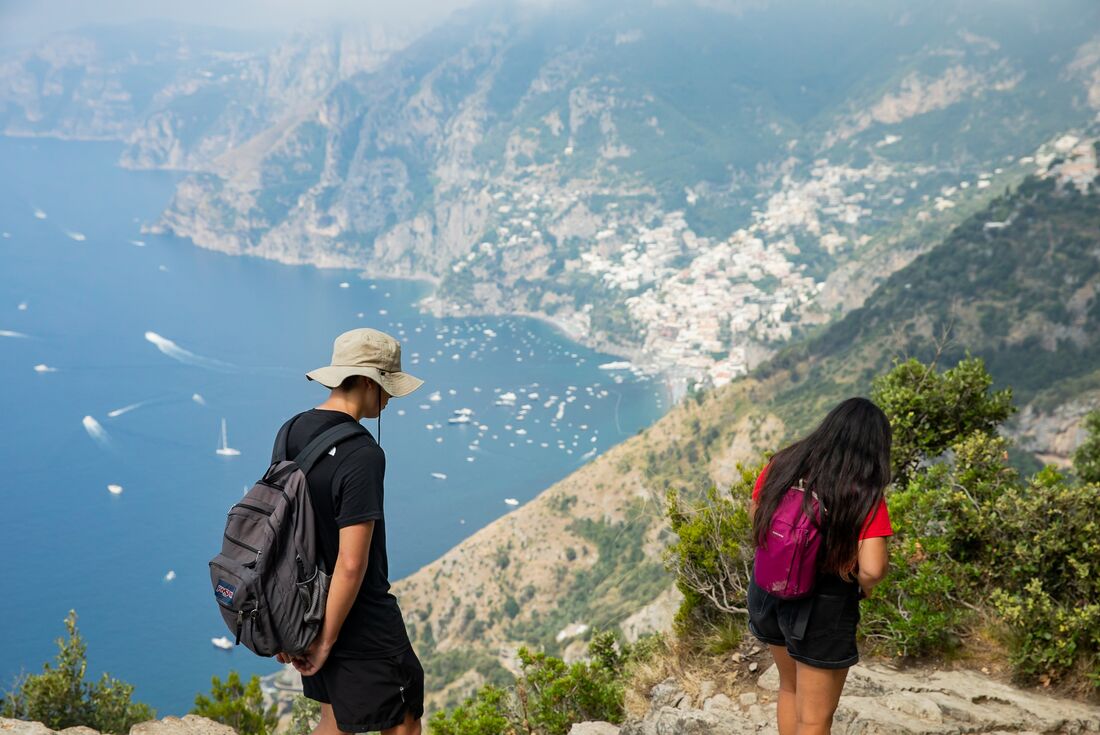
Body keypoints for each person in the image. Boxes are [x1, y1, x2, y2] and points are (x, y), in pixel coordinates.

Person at [274, 328, 425, 735]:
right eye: (387, 384)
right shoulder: (363, 454)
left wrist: (294, 627)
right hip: (360, 615)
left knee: (335, 719)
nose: (391, 397)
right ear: (364, 381)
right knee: (405, 716)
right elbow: (353, 562)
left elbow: (284, 532)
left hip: (306, 605)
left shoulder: (291, 432)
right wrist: (326, 640)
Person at [747, 397, 893, 735]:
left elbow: (756, 516)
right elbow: (872, 568)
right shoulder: (863, 490)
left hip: (769, 590)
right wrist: (856, 577)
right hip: (822, 606)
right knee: (813, 719)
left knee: (789, 688)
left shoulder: (784, 462)